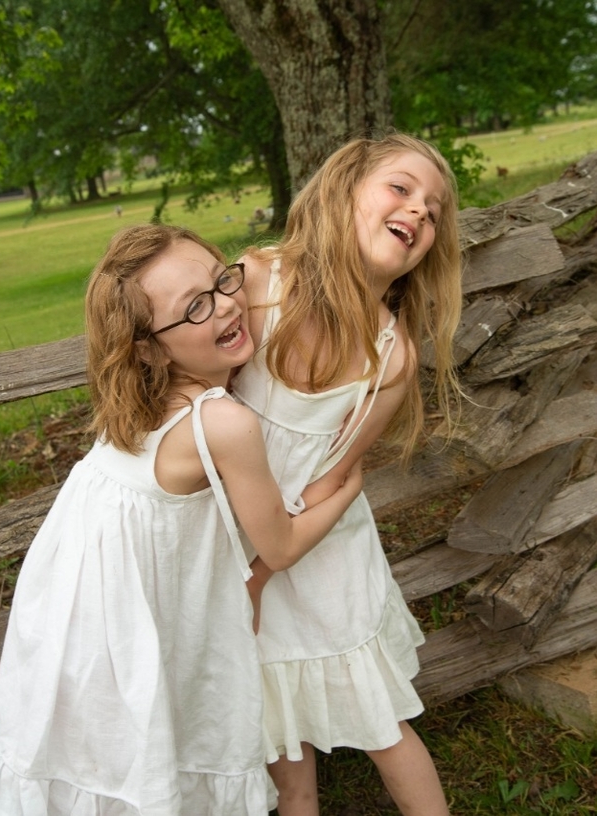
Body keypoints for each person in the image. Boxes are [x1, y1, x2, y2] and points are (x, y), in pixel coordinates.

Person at [0, 224, 363, 816]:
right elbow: (283, 543)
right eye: (194, 307)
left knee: (99, 760)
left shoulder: (138, 402)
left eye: (221, 281)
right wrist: (346, 489)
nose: (224, 306)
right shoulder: (223, 424)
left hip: (73, 617)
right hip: (123, 621)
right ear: (147, 347)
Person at [231, 132, 462, 816]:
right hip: (233, 537)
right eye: (402, 188)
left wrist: (260, 577)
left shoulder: (390, 355)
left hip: (320, 544)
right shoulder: (260, 284)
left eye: (436, 209)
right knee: (278, 722)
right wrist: (240, 573)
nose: (420, 211)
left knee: (382, 720)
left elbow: (335, 474)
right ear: (344, 191)